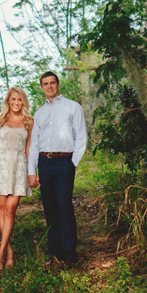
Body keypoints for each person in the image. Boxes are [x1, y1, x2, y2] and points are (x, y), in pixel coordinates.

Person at [27, 71, 87, 265]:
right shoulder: (39, 113)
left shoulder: (72, 107)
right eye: (45, 84)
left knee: (64, 206)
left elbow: (81, 136)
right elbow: (34, 144)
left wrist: (73, 162)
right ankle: (55, 254)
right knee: (50, 208)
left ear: (58, 84)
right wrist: (32, 171)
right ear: (42, 87)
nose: (49, 86)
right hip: (44, 163)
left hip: (64, 162)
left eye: (52, 83)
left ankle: (69, 255)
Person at [0, 86, 34, 271]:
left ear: (23, 102)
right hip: (2, 166)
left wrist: (32, 172)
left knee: (11, 208)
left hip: (20, 166)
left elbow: (30, 148)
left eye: (19, 100)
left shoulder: (29, 121)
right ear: (8, 101)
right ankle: (9, 251)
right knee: (2, 209)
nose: (16, 103)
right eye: (13, 99)